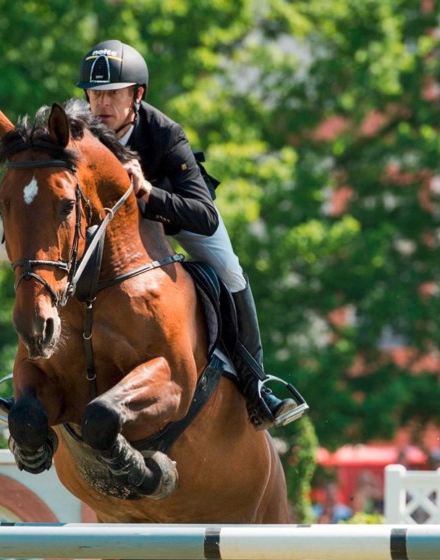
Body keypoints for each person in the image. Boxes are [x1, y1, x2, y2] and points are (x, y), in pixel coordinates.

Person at [75, 39, 308, 430]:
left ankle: (257, 385)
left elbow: (203, 215)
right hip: (109, 227)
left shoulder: (165, 133)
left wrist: (148, 191)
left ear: (138, 94)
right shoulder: (80, 130)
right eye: (96, 95)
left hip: (170, 215)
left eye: (114, 94)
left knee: (230, 270)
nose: (103, 106)